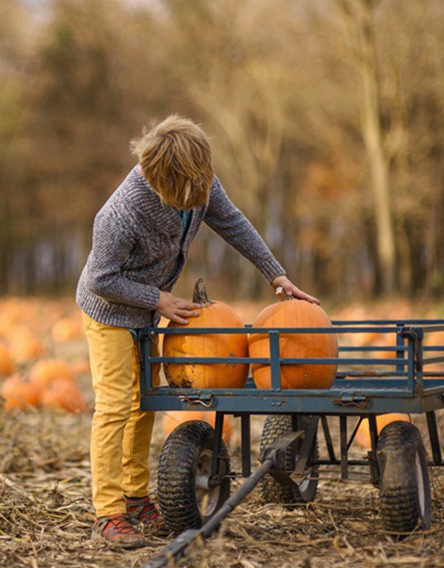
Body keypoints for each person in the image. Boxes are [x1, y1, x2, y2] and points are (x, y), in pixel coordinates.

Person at [76, 114, 319, 548]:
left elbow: (233, 223)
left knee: (143, 406)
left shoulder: (200, 181)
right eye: (187, 196)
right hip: (110, 313)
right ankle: (108, 512)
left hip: (147, 315)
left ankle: (135, 497)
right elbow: (100, 279)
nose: (198, 200)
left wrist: (276, 275)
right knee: (115, 405)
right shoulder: (121, 213)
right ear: (158, 178)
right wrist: (159, 300)